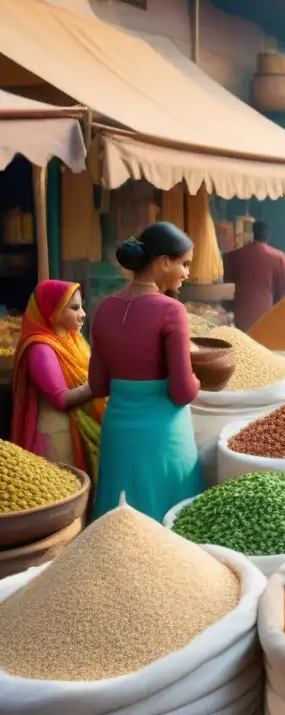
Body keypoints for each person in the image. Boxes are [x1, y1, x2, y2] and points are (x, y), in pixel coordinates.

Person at [88, 222, 203, 521]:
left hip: (118, 436)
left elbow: (98, 385)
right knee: (169, 527)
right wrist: (197, 380)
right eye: (185, 263)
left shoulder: (103, 308)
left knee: (120, 529)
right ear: (164, 261)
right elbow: (181, 392)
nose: (187, 273)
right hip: (163, 438)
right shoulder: (170, 310)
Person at [12, 281, 104, 478]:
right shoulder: (41, 349)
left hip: (74, 429)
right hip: (57, 435)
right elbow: (61, 399)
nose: (83, 314)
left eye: (82, 306)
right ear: (53, 310)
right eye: (74, 307)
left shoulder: (72, 339)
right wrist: (100, 382)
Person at [223, 221, 285, 332]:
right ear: (268, 234)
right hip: (266, 319)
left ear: (253, 233)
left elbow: (226, 283)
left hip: (241, 319)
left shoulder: (233, 256)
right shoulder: (278, 257)